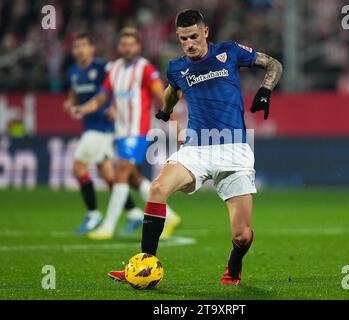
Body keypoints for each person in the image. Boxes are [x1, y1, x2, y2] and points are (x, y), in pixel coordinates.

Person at [108, 9, 282, 285]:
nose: (189, 43)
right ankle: (144, 264)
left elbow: (273, 64)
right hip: (196, 149)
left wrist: (265, 90)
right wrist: (165, 111)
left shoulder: (229, 52)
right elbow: (172, 90)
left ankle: (234, 265)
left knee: (242, 235)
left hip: (234, 150)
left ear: (205, 32)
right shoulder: (178, 67)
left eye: (193, 36)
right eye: (182, 39)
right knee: (156, 189)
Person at [71, 27, 181, 240]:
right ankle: (170, 216)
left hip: (137, 131)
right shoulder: (114, 69)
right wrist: (83, 109)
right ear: (119, 47)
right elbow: (102, 97)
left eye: (131, 44)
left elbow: (163, 95)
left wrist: (175, 122)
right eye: (124, 44)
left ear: (138, 46)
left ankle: (108, 227)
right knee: (133, 178)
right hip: (121, 133)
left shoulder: (145, 69)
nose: (127, 48)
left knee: (121, 171)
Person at [64, 32, 141, 235]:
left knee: (78, 167)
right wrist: (70, 103)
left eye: (83, 46)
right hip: (90, 126)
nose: (79, 50)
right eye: (76, 46)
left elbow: (117, 86)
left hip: (103, 127)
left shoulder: (102, 68)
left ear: (92, 49)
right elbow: (73, 94)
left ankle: (93, 214)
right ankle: (134, 214)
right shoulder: (72, 71)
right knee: (108, 173)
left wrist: (116, 107)